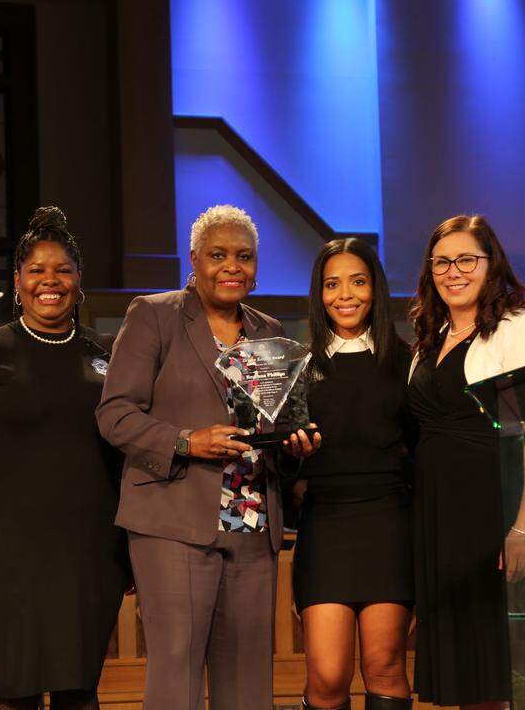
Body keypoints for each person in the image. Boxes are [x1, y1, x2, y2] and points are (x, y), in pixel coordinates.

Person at [97, 204, 316, 710]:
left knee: (248, 680)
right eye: (218, 255)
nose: (232, 266)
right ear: (194, 259)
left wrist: (295, 447)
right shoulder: (154, 314)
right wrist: (185, 441)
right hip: (173, 520)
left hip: (253, 522)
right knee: (177, 673)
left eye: (245, 256)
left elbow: (276, 428)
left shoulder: (269, 331)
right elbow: (114, 414)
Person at [0, 207, 129, 710]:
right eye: (37, 271)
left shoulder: (106, 354)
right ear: (17, 280)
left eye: (63, 270)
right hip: (9, 555)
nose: (51, 281)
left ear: (79, 281)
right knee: (14, 691)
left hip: (92, 554)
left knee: (80, 690)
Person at [406, 214, 525, 709]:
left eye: (467, 259)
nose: (454, 271)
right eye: (442, 262)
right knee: (475, 676)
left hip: (509, 513)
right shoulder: (431, 334)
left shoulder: (519, 327)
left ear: (492, 265)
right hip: (450, 527)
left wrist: (524, 525)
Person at [292, 239, 414, 710]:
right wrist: (292, 462)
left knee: (385, 665)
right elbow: (280, 458)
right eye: (332, 284)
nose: (345, 294)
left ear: (375, 289)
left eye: (358, 282)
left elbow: (421, 447)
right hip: (325, 527)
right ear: (319, 294)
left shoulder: (405, 361)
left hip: (389, 523)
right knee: (327, 675)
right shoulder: (298, 365)